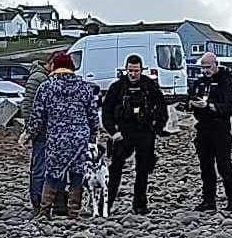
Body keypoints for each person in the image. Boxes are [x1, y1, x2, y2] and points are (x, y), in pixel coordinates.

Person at [27, 52, 100, 219]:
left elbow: (37, 115)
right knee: (77, 174)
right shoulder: (84, 87)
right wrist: (93, 135)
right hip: (79, 138)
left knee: (52, 174)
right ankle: (74, 212)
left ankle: (45, 211)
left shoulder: (46, 87)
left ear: (55, 67)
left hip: (56, 138)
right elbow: (93, 115)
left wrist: (29, 134)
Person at [102, 55, 168, 215]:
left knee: (143, 169)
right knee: (115, 168)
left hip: (144, 131)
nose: (133, 74)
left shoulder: (149, 85)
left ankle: (140, 204)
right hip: (122, 133)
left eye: (136, 71)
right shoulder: (117, 87)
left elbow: (162, 108)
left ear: (141, 70)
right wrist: (113, 132)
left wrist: (157, 127)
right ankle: (107, 204)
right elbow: (106, 112)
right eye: (130, 71)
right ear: (126, 69)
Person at [189, 52, 232, 212]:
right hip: (203, 129)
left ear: (216, 64)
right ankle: (208, 200)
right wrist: (192, 104)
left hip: (221, 129)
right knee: (206, 167)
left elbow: (229, 106)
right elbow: (191, 97)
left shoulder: (226, 80)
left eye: (208, 67)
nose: (205, 70)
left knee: (224, 165)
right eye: (203, 67)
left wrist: (210, 106)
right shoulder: (200, 82)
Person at [19, 52, 57, 215]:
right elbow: (29, 106)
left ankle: (47, 202)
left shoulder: (43, 78)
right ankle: (38, 202)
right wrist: (30, 130)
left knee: (46, 167)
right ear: (51, 65)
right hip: (42, 132)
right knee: (40, 168)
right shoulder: (38, 79)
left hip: (49, 131)